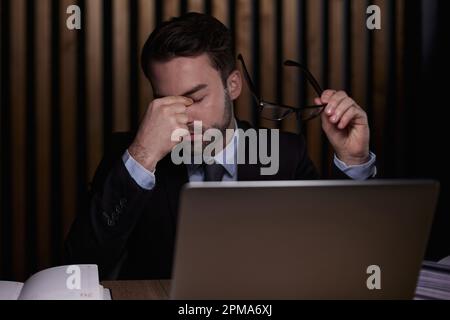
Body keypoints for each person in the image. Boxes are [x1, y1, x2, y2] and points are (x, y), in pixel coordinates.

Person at [65, 13, 377, 280]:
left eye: (196, 98)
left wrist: (353, 160)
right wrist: (142, 156)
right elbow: (77, 268)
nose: (183, 118)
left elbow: (341, 257)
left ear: (233, 85)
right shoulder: (132, 155)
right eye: (167, 102)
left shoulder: (285, 155)